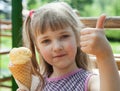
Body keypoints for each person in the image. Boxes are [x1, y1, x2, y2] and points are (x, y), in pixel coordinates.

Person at [16, 1, 120, 91]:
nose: (57, 47)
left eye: (64, 36)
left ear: (78, 38)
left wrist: (104, 55)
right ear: (38, 48)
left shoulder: (89, 81)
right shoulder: (37, 84)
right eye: (46, 41)